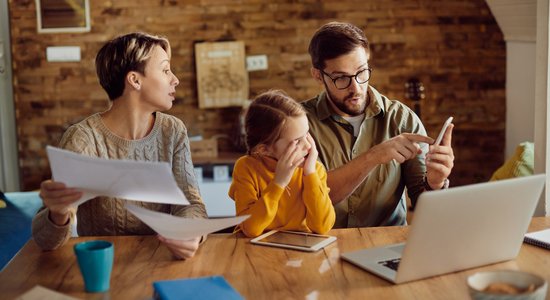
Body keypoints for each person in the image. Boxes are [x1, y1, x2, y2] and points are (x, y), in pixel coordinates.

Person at [32, 32, 207, 259]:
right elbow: (45, 240)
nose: (175, 79)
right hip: (101, 267)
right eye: (165, 70)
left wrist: (190, 233)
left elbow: (191, 203)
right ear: (135, 80)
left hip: (162, 260)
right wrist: (58, 213)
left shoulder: (173, 130)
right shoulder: (83, 138)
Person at [302, 22, 455, 228]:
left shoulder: (403, 119)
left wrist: (435, 183)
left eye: (362, 72)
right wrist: (373, 156)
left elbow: (424, 205)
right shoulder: (300, 125)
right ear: (318, 76)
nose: (356, 87)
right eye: (341, 78)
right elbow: (309, 198)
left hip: (386, 246)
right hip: (324, 246)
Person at [229, 90, 335, 237]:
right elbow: (250, 229)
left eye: (307, 135)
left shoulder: (314, 169)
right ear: (264, 149)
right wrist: (279, 182)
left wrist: (310, 174)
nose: (308, 146)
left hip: (300, 252)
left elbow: (322, 226)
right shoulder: (246, 168)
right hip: (254, 251)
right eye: (297, 141)